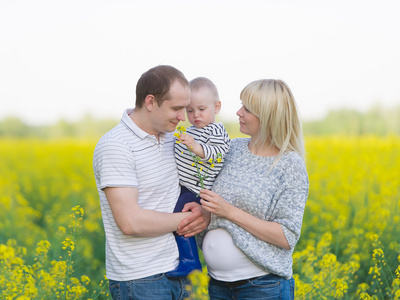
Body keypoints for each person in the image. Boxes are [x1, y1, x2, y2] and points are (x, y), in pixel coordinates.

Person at [93, 65, 211, 300]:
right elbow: (130, 222)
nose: (182, 116)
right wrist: (193, 219)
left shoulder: (173, 138)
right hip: (142, 279)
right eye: (176, 108)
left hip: (183, 272)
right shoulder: (116, 145)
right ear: (150, 102)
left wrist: (206, 212)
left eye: (185, 108)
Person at [197, 79, 309, 300]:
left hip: (262, 287)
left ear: (267, 115)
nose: (238, 112)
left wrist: (229, 211)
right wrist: (203, 209)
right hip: (218, 285)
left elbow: (286, 237)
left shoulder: (290, 165)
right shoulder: (232, 148)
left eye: (247, 109)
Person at [167, 77, 231, 277]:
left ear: (217, 106)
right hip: (184, 187)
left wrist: (196, 147)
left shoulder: (217, 131)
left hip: (198, 190)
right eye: (190, 110)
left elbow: (218, 153)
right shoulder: (190, 131)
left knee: (180, 220)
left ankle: (190, 261)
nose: (195, 115)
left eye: (201, 109)